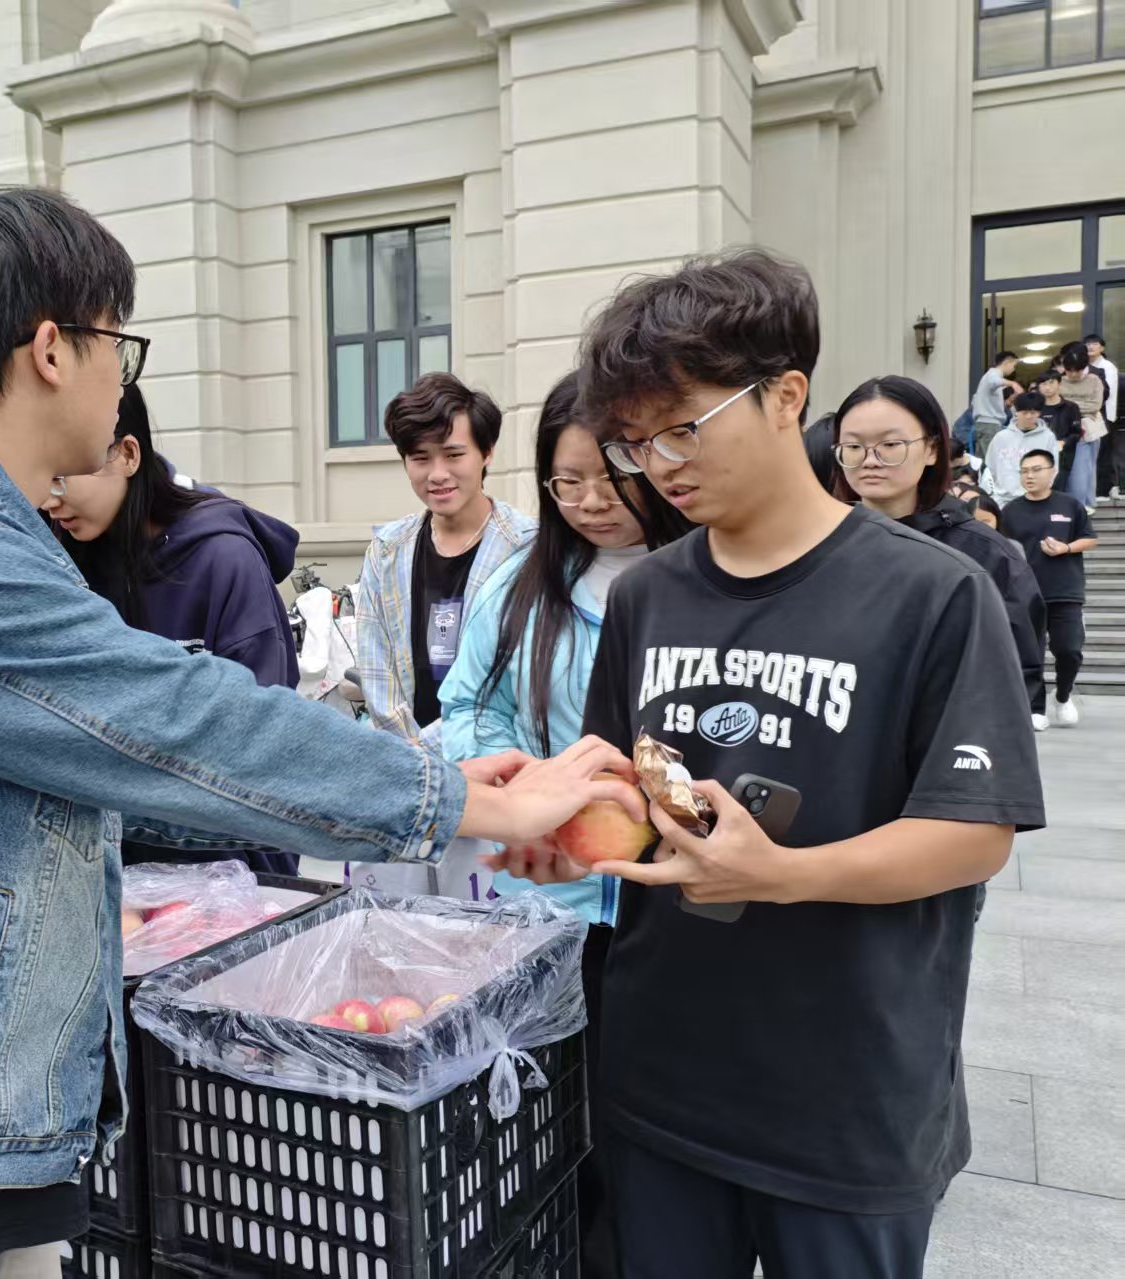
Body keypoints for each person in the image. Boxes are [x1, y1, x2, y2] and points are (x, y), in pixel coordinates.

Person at [0, 187, 642, 1279]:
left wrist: (450, 785)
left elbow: (128, 761)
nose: (121, 376)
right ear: (53, 349)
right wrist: (464, 800)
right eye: (118, 343)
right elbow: (176, 720)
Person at [515, 249, 1043, 1279]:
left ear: (785, 395)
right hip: (663, 1077)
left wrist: (783, 874)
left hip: (845, 1096)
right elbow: (630, 790)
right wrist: (559, 835)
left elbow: (973, 831)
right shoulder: (647, 595)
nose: (657, 466)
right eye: (634, 442)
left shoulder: (932, 594)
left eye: (683, 426)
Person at [439, 371, 690, 1279]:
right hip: (550, 906)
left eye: (608, 477)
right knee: (557, 1119)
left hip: (671, 908)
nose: (588, 502)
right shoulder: (521, 584)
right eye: (565, 481)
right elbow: (468, 707)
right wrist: (530, 786)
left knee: (649, 1128)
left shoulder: (701, 582)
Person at [45, 384, 300, 874]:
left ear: (127, 455)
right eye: (41, 478)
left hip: (231, 872)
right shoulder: (64, 562)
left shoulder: (223, 558)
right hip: (114, 874)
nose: (49, 499)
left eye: (62, 477)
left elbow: (263, 738)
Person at [830, 375, 1045, 725]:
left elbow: (1014, 675)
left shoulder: (985, 555)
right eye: (853, 446)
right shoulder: (821, 544)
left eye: (890, 444)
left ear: (931, 449)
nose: (869, 459)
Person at [355, 372, 536, 745]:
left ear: (487, 452)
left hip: (495, 757)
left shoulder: (527, 549)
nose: (437, 474)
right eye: (420, 458)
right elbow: (376, 671)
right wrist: (412, 756)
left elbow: (513, 682)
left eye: (454, 455)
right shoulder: (387, 550)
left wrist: (429, 751)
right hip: (403, 760)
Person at [999, 448, 1101, 728]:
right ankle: (1036, 709)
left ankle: (1063, 696)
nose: (1029, 476)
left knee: (1069, 651)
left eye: (1036, 470)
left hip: (1065, 591)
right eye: (1024, 471)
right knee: (1030, 654)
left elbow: (1090, 539)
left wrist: (1066, 548)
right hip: (1025, 593)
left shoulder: (1070, 505)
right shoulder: (1010, 511)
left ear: (1052, 473)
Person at [982, 390, 1061, 504]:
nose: (1029, 416)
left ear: (1039, 413)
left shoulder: (1048, 437)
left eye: (1033, 412)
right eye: (1024, 412)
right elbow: (990, 466)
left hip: (1034, 498)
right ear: (1016, 412)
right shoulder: (1001, 437)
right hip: (1002, 498)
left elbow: (1053, 468)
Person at [1058, 341, 1107, 510]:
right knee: (1069, 470)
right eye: (1069, 370)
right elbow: (1056, 403)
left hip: (1090, 431)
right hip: (1065, 430)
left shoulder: (1094, 379)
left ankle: (1085, 504)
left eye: (1077, 370)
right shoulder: (1059, 380)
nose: (1072, 374)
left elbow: (1095, 405)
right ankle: (1076, 506)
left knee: (1086, 470)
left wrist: (1069, 406)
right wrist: (1079, 407)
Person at [1034, 369, 1081, 494]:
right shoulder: (1035, 408)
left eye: (1051, 383)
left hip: (1062, 456)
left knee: (1059, 491)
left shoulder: (1071, 407)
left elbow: (1076, 433)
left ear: (1059, 384)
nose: (1047, 387)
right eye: (1043, 384)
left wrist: (1063, 442)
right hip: (1037, 455)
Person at [969, 349, 1021, 459]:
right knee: (991, 460)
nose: (1013, 369)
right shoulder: (993, 374)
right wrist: (1012, 383)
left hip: (987, 425)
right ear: (1007, 362)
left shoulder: (991, 377)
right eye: (1013, 366)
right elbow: (994, 381)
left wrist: (1009, 401)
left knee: (984, 460)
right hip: (989, 425)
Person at [1087, 333, 1119, 503]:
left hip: (1104, 413)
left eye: (1094, 343)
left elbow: (1109, 393)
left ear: (1102, 348)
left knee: (1103, 451)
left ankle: (1104, 489)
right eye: (1087, 344)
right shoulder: (1084, 366)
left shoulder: (1108, 367)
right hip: (1089, 413)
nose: (1090, 346)